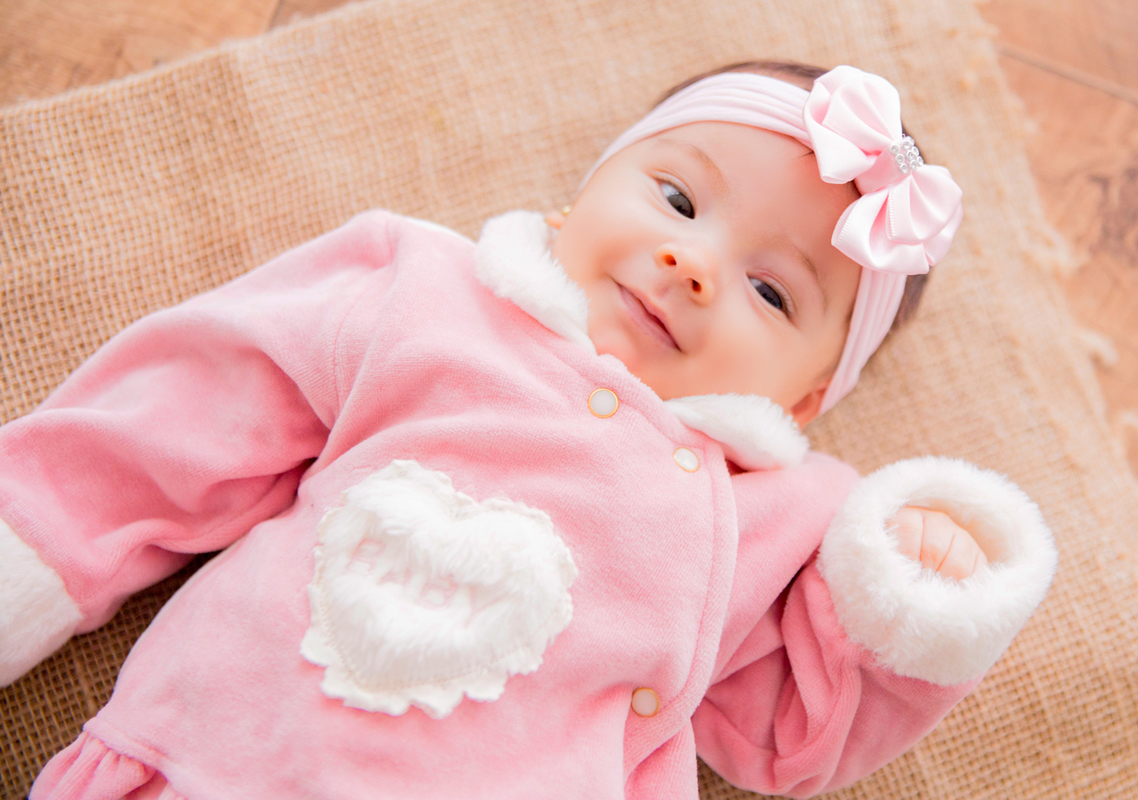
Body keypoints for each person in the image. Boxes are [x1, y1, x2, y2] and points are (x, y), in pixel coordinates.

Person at [0, 61, 1056, 799]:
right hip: (226, 760)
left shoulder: (773, 517)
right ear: (576, 199)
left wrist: (906, 598)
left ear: (806, 401)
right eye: (678, 197)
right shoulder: (426, 295)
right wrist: (32, 543)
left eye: (773, 293)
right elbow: (185, 414)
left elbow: (788, 733)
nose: (693, 264)